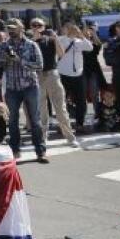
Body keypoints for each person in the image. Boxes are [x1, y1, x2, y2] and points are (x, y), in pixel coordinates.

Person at [0, 19, 48, 163]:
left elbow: (39, 65)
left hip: (30, 86)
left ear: (21, 28)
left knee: (35, 121)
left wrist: (20, 61)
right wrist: (5, 60)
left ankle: (40, 152)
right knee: (12, 121)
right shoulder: (4, 45)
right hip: (12, 88)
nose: (11, 31)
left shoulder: (31, 45)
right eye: (9, 28)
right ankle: (15, 150)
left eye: (14, 28)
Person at [31, 19, 78, 147]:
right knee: (41, 109)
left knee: (60, 108)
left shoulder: (50, 40)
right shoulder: (30, 42)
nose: (36, 27)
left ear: (44, 27)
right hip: (37, 76)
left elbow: (61, 53)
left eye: (39, 25)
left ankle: (70, 137)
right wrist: (34, 40)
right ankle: (43, 137)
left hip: (52, 74)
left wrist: (55, 37)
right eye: (33, 25)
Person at [56, 22, 93, 134]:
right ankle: (63, 124)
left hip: (78, 74)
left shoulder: (78, 41)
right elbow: (62, 45)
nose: (70, 30)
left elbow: (90, 47)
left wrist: (81, 35)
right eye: (67, 28)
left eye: (71, 28)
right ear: (63, 29)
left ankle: (80, 123)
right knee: (62, 101)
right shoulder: (60, 39)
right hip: (63, 75)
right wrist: (70, 36)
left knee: (81, 101)